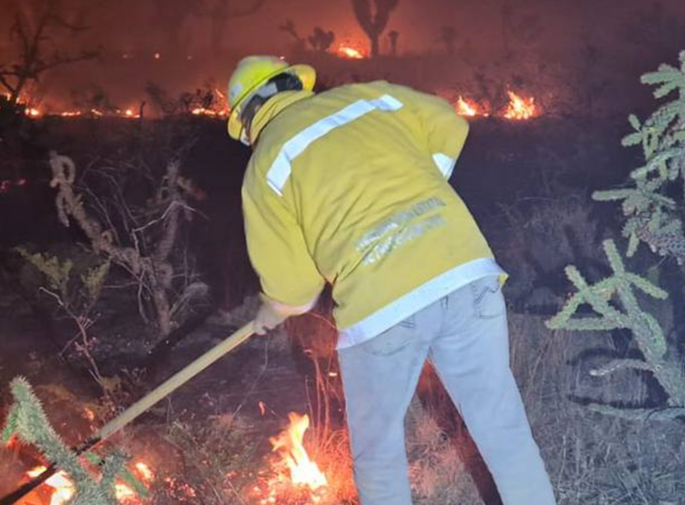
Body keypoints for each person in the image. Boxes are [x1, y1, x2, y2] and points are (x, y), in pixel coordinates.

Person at [226, 55, 556, 505]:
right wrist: (427, 182)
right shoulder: (364, 98)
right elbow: (448, 124)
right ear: (294, 86)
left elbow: (296, 290)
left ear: (247, 121)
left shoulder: (265, 166)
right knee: (502, 427)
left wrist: (274, 306)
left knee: (378, 455)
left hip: (381, 305)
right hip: (464, 270)